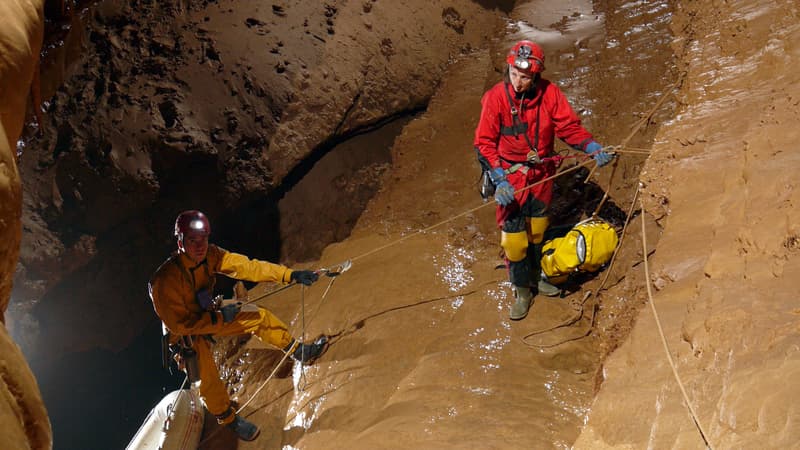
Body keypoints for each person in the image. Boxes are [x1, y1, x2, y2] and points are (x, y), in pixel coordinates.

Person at [148, 210, 328, 441]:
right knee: (208, 377)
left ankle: (298, 351)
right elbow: (181, 325)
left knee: (257, 317)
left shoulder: (211, 256)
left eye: (204, 238)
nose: (200, 245)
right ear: (180, 240)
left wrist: (289, 275)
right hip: (185, 334)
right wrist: (219, 318)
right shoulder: (164, 281)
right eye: (193, 240)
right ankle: (229, 419)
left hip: (209, 314)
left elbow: (247, 267)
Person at [474, 40, 614, 321]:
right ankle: (522, 290)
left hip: (540, 176)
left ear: (535, 76)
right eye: (514, 73)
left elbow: (568, 127)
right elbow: (484, 143)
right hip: (511, 179)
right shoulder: (495, 98)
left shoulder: (549, 94)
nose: (518, 82)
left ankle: (537, 276)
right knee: (515, 242)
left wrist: (591, 147)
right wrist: (499, 179)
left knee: (537, 232)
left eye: (525, 77)